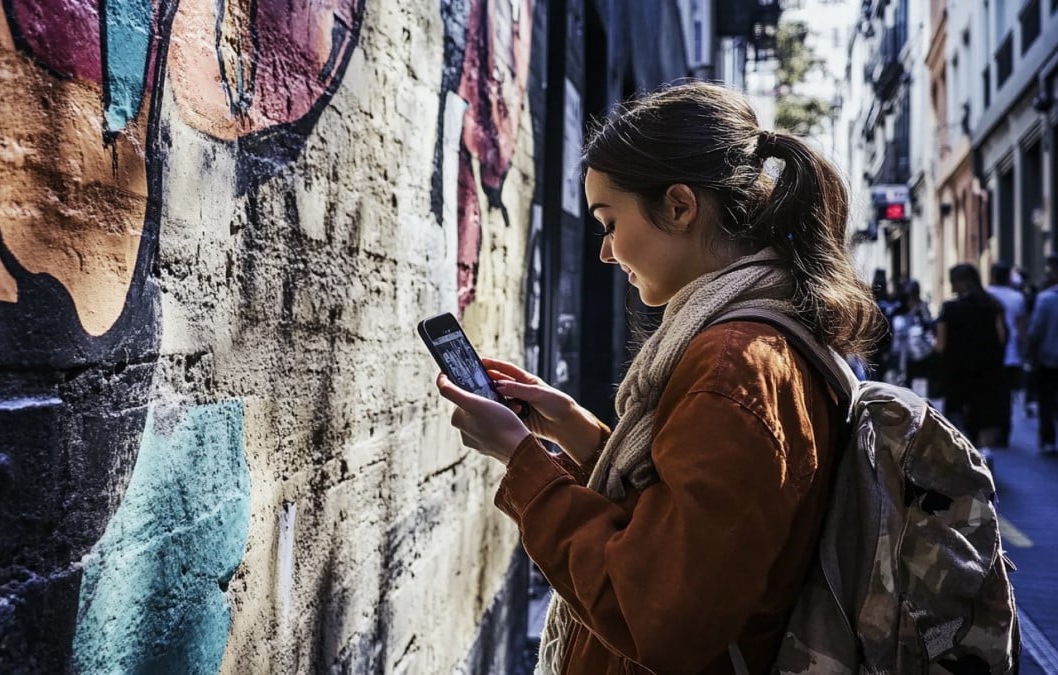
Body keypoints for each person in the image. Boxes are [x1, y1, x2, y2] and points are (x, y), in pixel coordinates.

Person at [431, 83, 882, 674]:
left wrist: (522, 461)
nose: (606, 252)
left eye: (608, 221)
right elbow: (687, 514)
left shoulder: (734, 367)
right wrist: (574, 430)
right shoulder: (759, 339)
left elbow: (655, 612)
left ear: (678, 207)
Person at [935, 263, 1007, 462]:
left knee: (958, 414)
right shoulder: (993, 305)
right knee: (984, 416)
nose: (952, 287)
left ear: (962, 282)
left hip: (957, 371)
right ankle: (985, 456)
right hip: (987, 371)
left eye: (953, 282)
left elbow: (941, 344)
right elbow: (1002, 338)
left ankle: (964, 460)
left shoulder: (949, 309)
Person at [986, 261, 1027, 445]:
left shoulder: (986, 295)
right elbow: (1021, 327)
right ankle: (1005, 430)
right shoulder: (1017, 297)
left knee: (991, 392)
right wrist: (1024, 351)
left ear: (993, 276)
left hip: (992, 352)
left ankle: (992, 429)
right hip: (1012, 353)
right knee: (1006, 394)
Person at [1027, 255, 1058, 454]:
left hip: (1049, 360)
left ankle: (1048, 439)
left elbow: (1035, 332)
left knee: (1046, 400)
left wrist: (1031, 356)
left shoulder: (1046, 299)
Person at [889, 278, 934, 394]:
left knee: (920, 391)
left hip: (920, 356)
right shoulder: (898, 310)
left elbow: (928, 329)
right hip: (902, 355)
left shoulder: (922, 308)